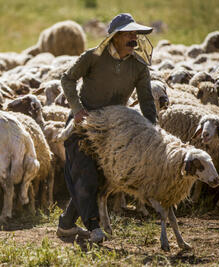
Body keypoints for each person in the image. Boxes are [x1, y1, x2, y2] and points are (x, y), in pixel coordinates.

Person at [57, 13, 157, 243]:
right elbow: (66, 79)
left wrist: (152, 132)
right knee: (86, 174)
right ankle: (94, 228)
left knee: (100, 179)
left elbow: (147, 102)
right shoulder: (92, 57)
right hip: (82, 125)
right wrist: (78, 108)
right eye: (130, 34)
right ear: (116, 37)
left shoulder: (139, 67)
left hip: (113, 130)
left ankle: (66, 225)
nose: (135, 38)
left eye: (136, 34)